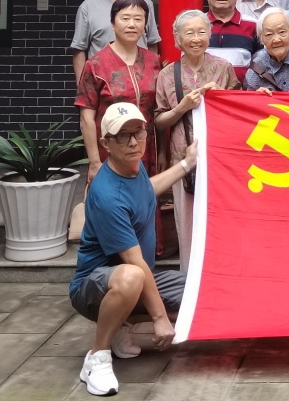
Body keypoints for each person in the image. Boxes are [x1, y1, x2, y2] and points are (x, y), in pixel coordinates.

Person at [71, 102, 196, 397]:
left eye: (138, 133)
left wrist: (187, 164)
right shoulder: (107, 196)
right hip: (93, 289)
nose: (133, 142)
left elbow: (145, 191)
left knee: (200, 292)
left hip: (134, 278)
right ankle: (97, 358)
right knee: (132, 276)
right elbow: (135, 263)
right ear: (106, 144)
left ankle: (119, 324)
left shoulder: (132, 166)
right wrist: (159, 318)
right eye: (122, 136)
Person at [153, 10, 235, 272]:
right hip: (183, 160)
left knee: (219, 223)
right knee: (187, 225)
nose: (196, 38)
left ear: (209, 35)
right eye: (189, 33)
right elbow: (159, 121)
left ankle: (219, 275)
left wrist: (222, 98)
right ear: (178, 38)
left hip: (219, 161)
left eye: (202, 32)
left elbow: (239, 111)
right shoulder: (167, 75)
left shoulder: (223, 68)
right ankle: (189, 281)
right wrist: (182, 107)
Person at [76, 0, 163, 188]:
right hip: (111, 151)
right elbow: (87, 118)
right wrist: (94, 161)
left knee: (146, 199)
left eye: (138, 19)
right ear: (113, 24)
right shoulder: (96, 65)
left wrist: (163, 152)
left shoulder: (154, 62)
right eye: (125, 18)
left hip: (147, 150)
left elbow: (160, 111)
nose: (132, 24)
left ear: (145, 26)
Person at [72, 0, 160, 85]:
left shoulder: (143, 1)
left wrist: (154, 78)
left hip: (140, 79)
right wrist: (82, 85)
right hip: (103, 80)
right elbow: (79, 49)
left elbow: (152, 42)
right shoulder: (88, 7)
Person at [204, 0, 258, 85]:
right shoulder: (196, 24)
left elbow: (261, 64)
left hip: (240, 94)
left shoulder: (254, 25)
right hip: (203, 94)